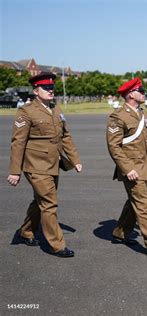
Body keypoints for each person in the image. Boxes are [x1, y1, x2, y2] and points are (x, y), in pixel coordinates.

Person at [7, 72, 82, 258]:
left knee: (40, 201)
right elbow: (18, 142)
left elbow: (65, 136)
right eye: (46, 88)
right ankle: (57, 245)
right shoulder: (26, 111)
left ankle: (25, 231)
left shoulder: (55, 109)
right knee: (49, 203)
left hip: (52, 164)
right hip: (35, 165)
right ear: (35, 90)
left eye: (51, 87)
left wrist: (75, 159)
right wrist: (15, 171)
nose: (50, 90)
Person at [106, 78, 147, 259]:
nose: (144, 93)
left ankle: (119, 233)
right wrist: (127, 169)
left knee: (134, 202)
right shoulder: (118, 116)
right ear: (130, 94)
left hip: (144, 166)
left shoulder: (142, 113)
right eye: (140, 90)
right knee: (142, 205)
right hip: (132, 168)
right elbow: (114, 147)